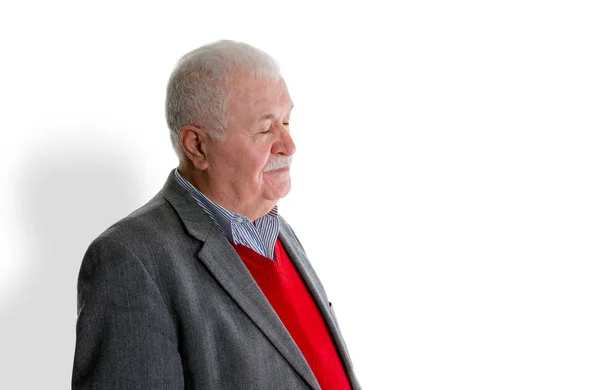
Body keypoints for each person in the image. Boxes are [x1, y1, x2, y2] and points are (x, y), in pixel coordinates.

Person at [72, 40, 361, 390]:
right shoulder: (131, 260)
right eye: (265, 128)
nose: (289, 144)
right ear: (197, 145)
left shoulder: (276, 230)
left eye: (287, 120)